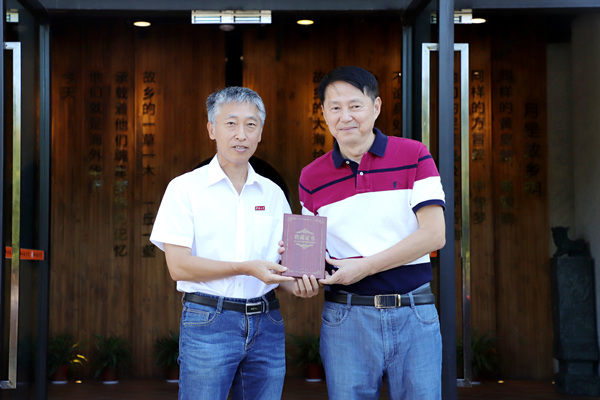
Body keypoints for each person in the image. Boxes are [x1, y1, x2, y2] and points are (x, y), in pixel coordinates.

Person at [150, 86, 319, 400]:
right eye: (231, 123)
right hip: (209, 320)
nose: (241, 134)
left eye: (251, 124)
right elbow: (179, 267)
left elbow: (280, 270)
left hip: (267, 322)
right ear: (211, 129)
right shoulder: (185, 189)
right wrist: (246, 268)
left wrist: (299, 285)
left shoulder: (273, 194)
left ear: (260, 132)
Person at [299, 66, 446, 400]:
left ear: (376, 106)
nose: (345, 116)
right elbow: (312, 254)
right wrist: (300, 271)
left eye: (355, 105)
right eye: (335, 107)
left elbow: (434, 235)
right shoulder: (311, 177)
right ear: (324, 113)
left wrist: (364, 267)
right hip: (345, 317)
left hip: (413, 312)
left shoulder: (414, 155)